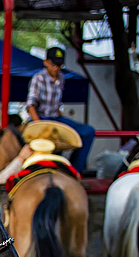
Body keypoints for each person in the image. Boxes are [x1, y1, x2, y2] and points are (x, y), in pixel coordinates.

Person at [26, 46, 95, 174]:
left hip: (55, 118)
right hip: (40, 117)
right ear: (46, 62)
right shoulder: (38, 78)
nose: (56, 68)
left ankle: (75, 170)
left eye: (59, 65)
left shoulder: (62, 78)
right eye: (54, 64)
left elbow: (56, 104)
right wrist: (38, 125)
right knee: (50, 138)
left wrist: (63, 123)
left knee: (88, 131)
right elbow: (30, 105)